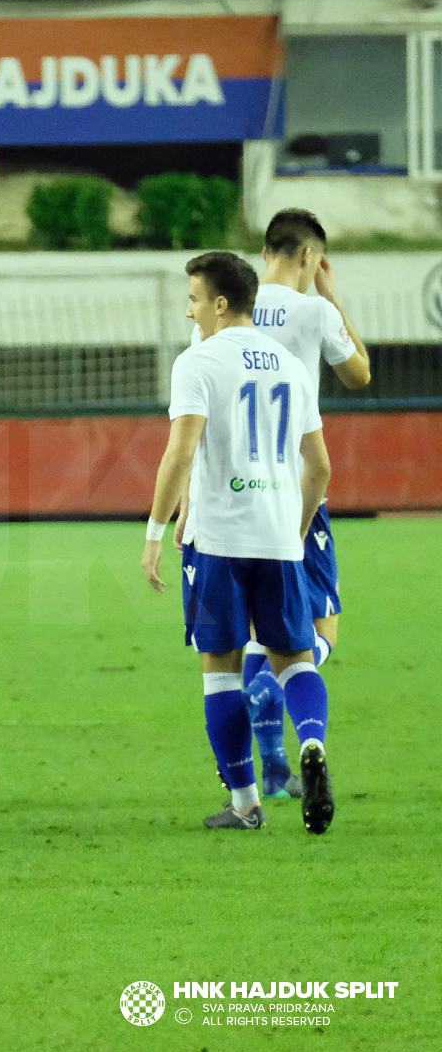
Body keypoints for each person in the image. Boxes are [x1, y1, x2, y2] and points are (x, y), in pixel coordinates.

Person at [176, 208, 370, 799]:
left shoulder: (209, 329)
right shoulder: (315, 312)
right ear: (311, 257)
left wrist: (180, 507)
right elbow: (360, 374)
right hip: (291, 497)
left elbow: (192, 428)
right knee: (315, 627)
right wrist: (335, 296)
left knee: (232, 646)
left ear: (264, 255)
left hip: (223, 505)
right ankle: (280, 707)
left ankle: (263, 779)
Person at [143, 252, 335, 835]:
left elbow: (180, 452)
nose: (189, 310)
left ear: (221, 304)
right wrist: (294, 533)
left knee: (220, 672)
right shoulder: (288, 364)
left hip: (220, 540)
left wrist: (155, 530)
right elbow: (320, 468)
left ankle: (247, 803)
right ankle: (313, 744)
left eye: (195, 299)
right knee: (294, 660)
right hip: (278, 538)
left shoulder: (198, 362)